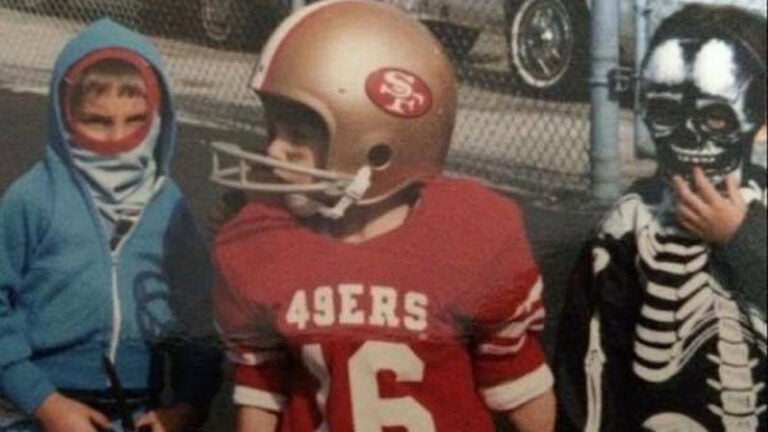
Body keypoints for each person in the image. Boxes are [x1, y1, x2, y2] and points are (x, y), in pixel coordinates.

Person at [209, 1, 556, 431]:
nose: (274, 151)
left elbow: (524, 398)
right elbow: (261, 391)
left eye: (298, 135)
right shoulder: (266, 243)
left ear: (377, 147)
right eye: (274, 130)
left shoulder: (469, 239)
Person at [0, 19, 221, 432]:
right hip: (40, 409)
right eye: (98, 121)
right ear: (65, 119)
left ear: (158, 119)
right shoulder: (32, 199)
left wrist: (189, 405)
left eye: (135, 120)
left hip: (140, 412)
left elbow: (197, 317)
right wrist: (44, 402)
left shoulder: (170, 206)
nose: (118, 137)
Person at [555, 4, 766, 432]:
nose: (689, 134)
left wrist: (741, 235)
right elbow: (589, 352)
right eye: (667, 112)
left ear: (761, 122)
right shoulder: (628, 224)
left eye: (715, 116)